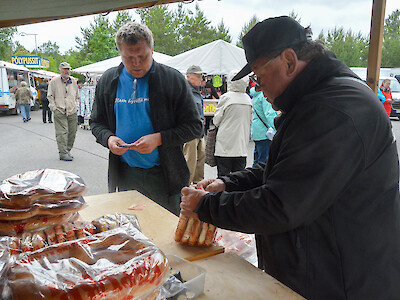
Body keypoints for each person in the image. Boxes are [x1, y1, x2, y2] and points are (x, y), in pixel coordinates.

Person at [180, 16, 400, 299]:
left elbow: (282, 205)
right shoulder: (317, 100)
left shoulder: (334, 109)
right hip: (322, 267)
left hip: (343, 281)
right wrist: (228, 184)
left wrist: (207, 206)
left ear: (288, 61)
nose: (258, 87)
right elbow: (284, 168)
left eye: (259, 76)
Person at [90, 22, 202, 216]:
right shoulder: (108, 81)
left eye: (142, 56)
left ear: (152, 49)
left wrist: (158, 139)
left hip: (164, 176)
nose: (136, 64)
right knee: (130, 234)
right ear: (120, 53)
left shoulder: (172, 80)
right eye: (128, 57)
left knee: (166, 237)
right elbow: (96, 123)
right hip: (125, 174)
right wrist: (108, 138)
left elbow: (195, 127)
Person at [213, 70, 252, 177]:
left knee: (223, 178)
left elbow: (216, 121)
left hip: (225, 146)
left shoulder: (226, 98)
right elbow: (250, 120)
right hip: (241, 146)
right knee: (238, 178)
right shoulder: (248, 99)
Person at [47, 62, 79, 161]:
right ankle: (63, 153)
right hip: (59, 110)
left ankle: (67, 150)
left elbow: (77, 96)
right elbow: (50, 95)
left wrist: (76, 106)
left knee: (72, 132)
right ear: (60, 70)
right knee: (62, 132)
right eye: (64, 69)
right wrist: (53, 107)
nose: (67, 71)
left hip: (72, 110)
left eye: (68, 69)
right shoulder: (54, 81)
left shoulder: (73, 81)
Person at [184, 65, 206, 185]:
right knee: (190, 162)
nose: (200, 78)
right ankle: (186, 188)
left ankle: (199, 186)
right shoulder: (185, 91)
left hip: (199, 132)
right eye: (197, 76)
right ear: (188, 77)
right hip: (190, 132)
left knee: (200, 160)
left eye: (201, 76)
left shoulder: (196, 91)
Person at [250, 86, 277, 166]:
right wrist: (277, 127)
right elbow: (269, 114)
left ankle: (253, 178)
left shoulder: (256, 94)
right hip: (265, 132)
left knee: (257, 160)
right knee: (263, 163)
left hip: (257, 131)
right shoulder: (265, 95)